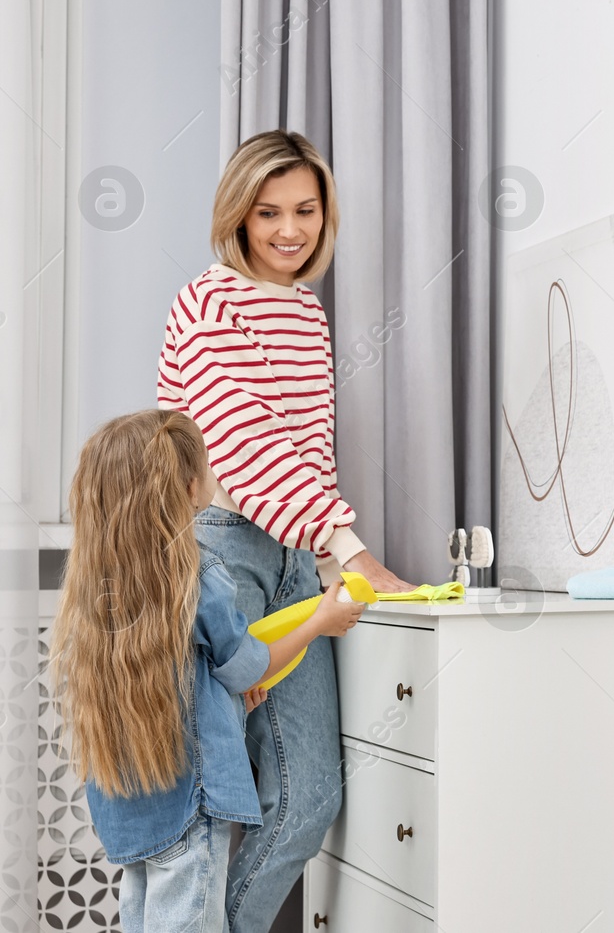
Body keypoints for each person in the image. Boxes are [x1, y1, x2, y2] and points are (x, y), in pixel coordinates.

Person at [156, 129, 413, 928]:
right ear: (238, 214)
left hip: (295, 554)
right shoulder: (207, 301)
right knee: (201, 812)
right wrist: (354, 547)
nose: (289, 230)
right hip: (218, 550)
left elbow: (308, 451)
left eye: (305, 210)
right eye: (268, 212)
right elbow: (247, 440)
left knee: (307, 796)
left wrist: (326, 553)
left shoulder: (305, 311)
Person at [50, 409, 366, 933]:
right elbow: (250, 668)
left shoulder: (94, 588)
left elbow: (172, 680)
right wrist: (319, 621)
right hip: (192, 807)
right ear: (190, 487)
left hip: (129, 811)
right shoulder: (197, 575)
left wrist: (222, 706)